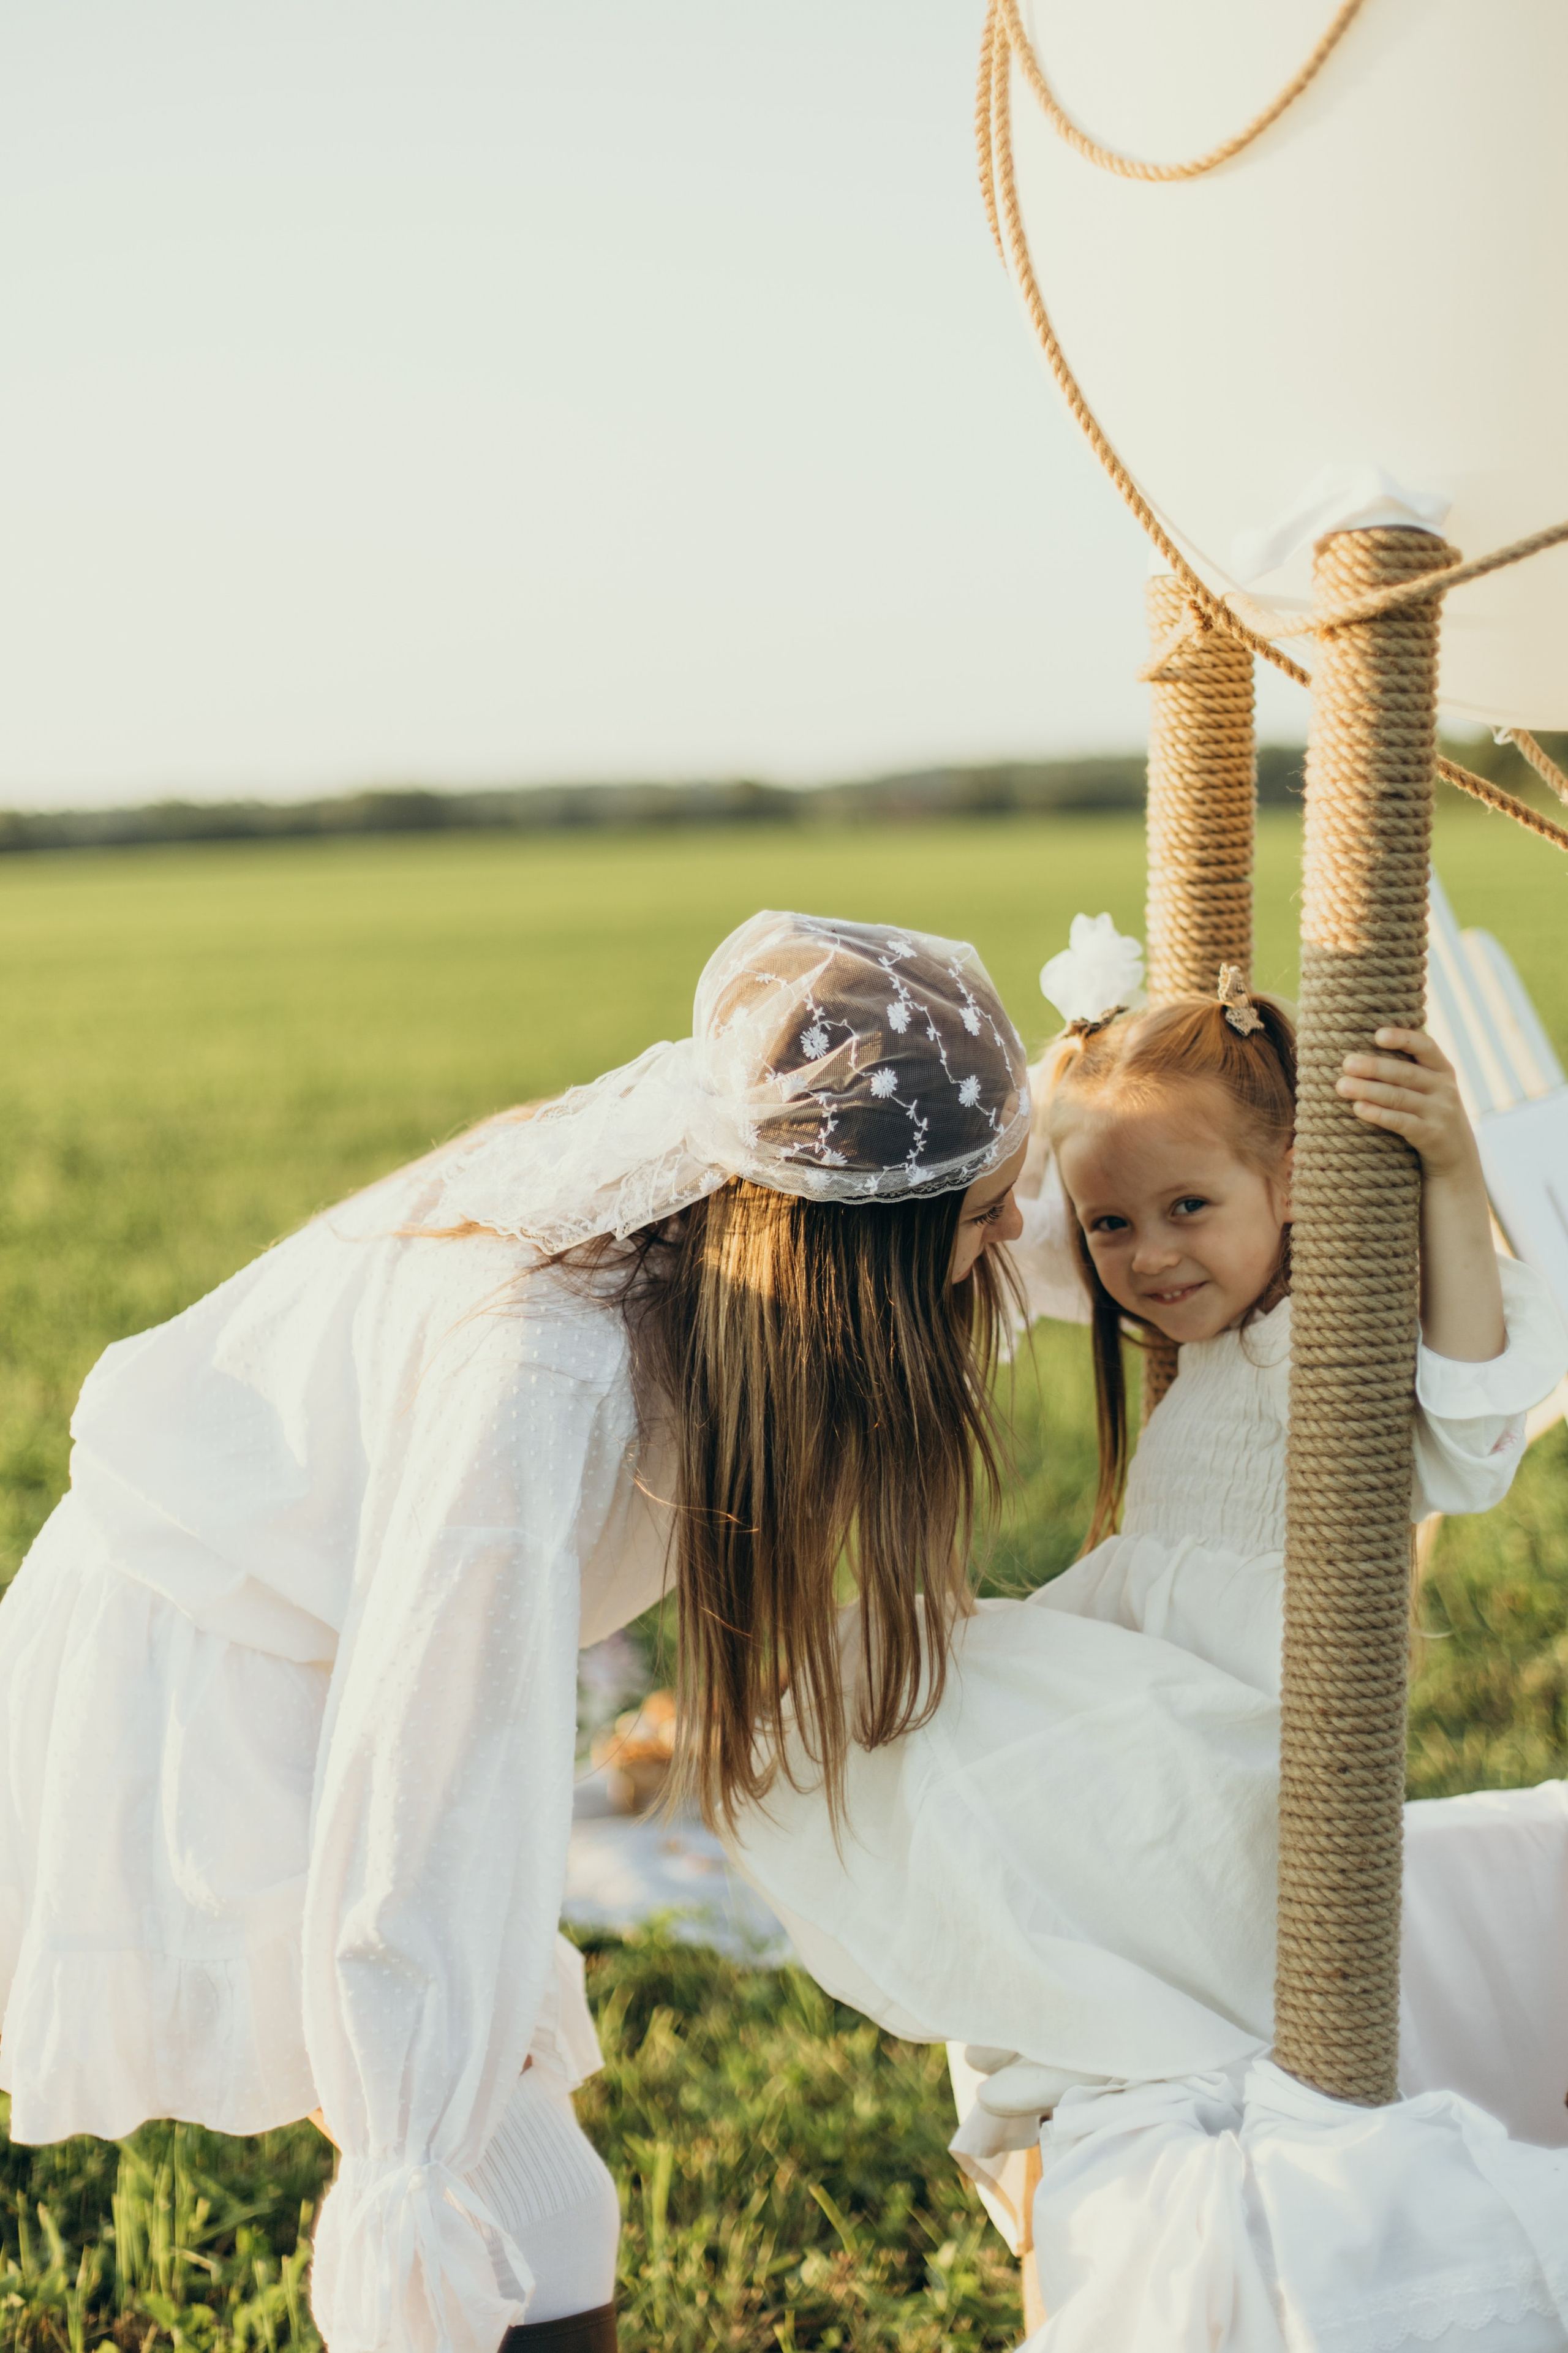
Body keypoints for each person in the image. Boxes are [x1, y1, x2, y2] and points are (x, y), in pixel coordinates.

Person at [0, 908, 1034, 2353]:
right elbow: (430, 1755)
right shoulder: (543, 1372)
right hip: (235, 1662)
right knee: (513, 2209)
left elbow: (1035, 1228)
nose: (1015, 1249)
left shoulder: (737, 1207)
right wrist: (413, 2134)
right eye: (986, 1216)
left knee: (538, 2210)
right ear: (861, 1249)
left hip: (339, 1643)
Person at [725, 918, 1568, 2352]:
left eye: (1188, 1208)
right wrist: (1073, 1077)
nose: (1146, 1259)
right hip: (1145, 1657)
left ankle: (1093, 1987)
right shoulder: (1214, 1329)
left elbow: (1480, 1416)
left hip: (1232, 1715)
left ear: (1293, 1177)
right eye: (1113, 1224)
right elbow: (1039, 1237)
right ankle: (1052, 1985)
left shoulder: (1338, 1331)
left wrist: (1444, 1171)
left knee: (936, 1740)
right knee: (863, 1705)